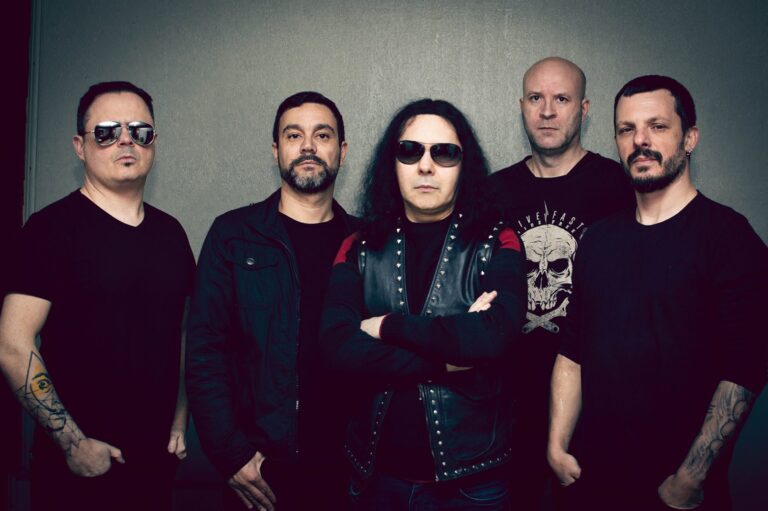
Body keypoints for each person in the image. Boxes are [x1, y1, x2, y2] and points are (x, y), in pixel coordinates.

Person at [547, 75, 767, 510]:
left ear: (690, 138)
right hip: (590, 482)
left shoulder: (729, 237)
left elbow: (745, 368)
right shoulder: (598, 240)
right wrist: (556, 446)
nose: (640, 141)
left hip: (676, 492)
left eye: (658, 126)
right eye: (626, 129)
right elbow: (572, 353)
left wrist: (691, 477)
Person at [321, 99, 526, 509]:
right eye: (410, 151)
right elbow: (337, 346)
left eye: (444, 152)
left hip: (472, 484)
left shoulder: (497, 241)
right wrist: (448, 358)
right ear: (392, 163)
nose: (426, 166)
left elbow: (493, 337)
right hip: (376, 481)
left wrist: (384, 327)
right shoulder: (357, 247)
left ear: (464, 165)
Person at [0, 81, 195, 510]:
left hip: (154, 467)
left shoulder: (171, 234)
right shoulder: (50, 229)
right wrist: (72, 443)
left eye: (140, 131)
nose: (126, 140)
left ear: (153, 142)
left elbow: (183, 334)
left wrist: (179, 421)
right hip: (77, 469)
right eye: (106, 132)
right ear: (80, 146)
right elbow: (13, 345)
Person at [186, 91, 357, 510]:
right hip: (260, 469)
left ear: (342, 151)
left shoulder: (366, 243)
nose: (308, 146)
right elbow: (204, 352)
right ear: (276, 150)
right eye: (294, 135)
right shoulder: (233, 235)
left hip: (348, 470)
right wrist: (231, 455)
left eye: (322, 135)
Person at [487, 56, 634, 506]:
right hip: (507, 408)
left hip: (597, 407)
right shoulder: (493, 193)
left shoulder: (620, 187)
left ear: (584, 110)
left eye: (562, 99)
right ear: (522, 106)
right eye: (536, 98)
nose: (547, 111)